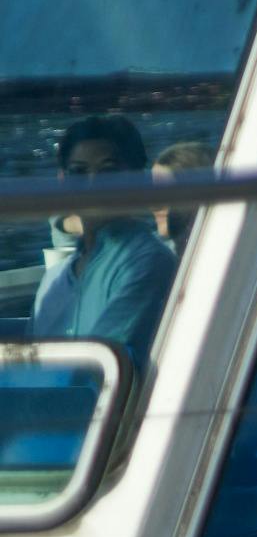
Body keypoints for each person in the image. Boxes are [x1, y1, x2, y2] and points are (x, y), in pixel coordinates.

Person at [32, 114, 173, 368]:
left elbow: (92, 373)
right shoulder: (53, 280)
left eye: (108, 171)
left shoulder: (148, 263)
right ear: (63, 182)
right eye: (79, 172)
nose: (93, 184)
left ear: (138, 178)